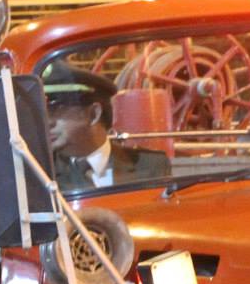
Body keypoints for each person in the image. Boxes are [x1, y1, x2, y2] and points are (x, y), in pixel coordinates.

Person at [43, 63, 174, 191]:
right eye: (43, 112)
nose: (47, 122)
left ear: (94, 114)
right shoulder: (40, 173)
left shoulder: (150, 166)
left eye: (56, 111)